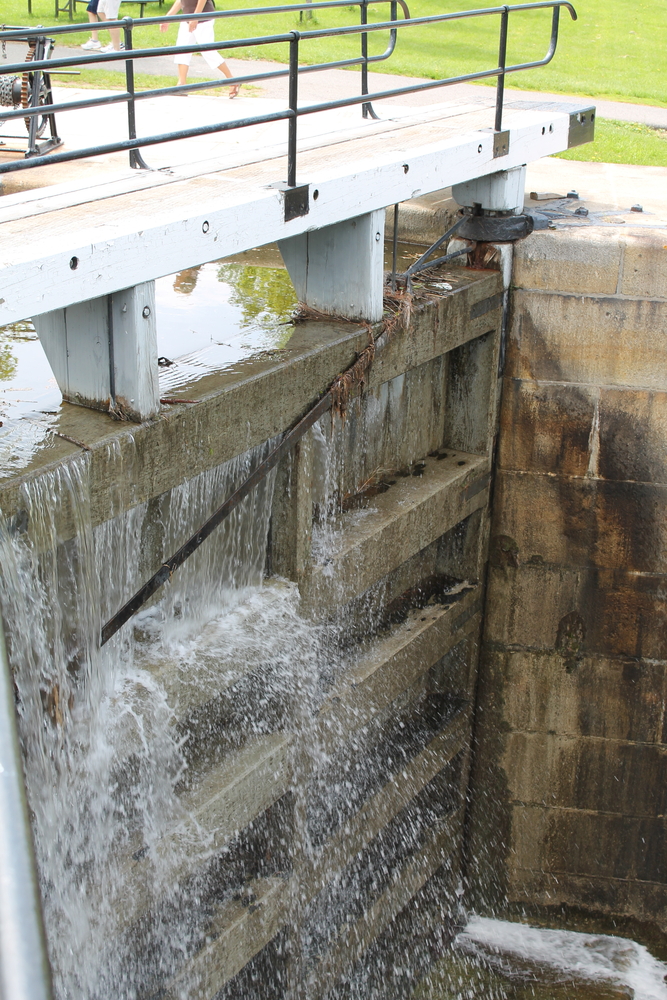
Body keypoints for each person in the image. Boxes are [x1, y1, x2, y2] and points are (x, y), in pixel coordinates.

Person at [160, 0, 239, 98]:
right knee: (182, 48)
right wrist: (168, 17)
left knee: (207, 51)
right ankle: (182, 84)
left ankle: (232, 80)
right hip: (187, 17)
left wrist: (196, 16)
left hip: (203, 19)